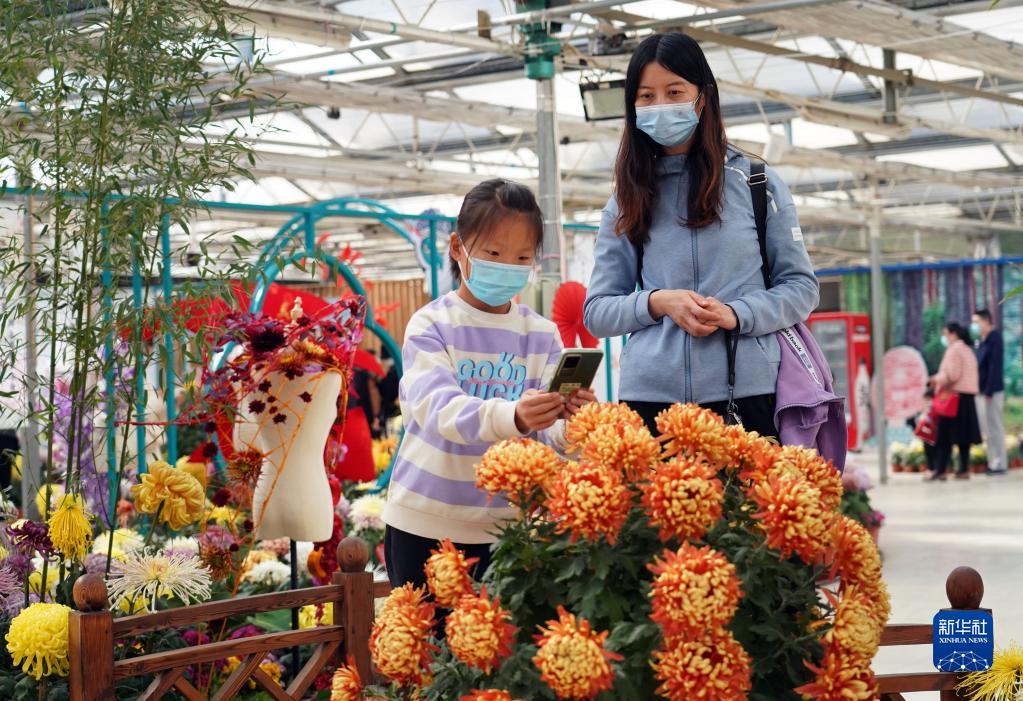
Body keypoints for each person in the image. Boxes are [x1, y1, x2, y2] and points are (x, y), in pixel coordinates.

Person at [583, 32, 819, 437]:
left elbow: (801, 288)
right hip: (649, 401)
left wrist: (737, 314)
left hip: (746, 395)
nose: (660, 105)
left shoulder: (756, 183)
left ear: (703, 97)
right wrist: (657, 302)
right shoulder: (627, 198)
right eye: (646, 96)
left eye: (674, 92)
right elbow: (597, 312)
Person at [382, 179, 597, 590]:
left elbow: (550, 436)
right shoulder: (431, 324)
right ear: (457, 247)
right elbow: (436, 409)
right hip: (427, 522)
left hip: (510, 528)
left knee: (500, 632)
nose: (508, 266)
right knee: (424, 630)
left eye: (522, 257)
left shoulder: (541, 334)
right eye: (494, 253)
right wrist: (514, 415)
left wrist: (572, 421)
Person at [927, 322, 982, 481]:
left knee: (944, 437)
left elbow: (952, 375)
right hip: (967, 398)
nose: (944, 337)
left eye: (945, 334)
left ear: (953, 334)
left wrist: (935, 380)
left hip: (953, 399)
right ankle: (963, 469)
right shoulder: (967, 350)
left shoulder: (955, 350)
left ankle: (940, 470)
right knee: (964, 438)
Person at [972, 309, 1007, 475]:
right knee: (987, 430)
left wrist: (989, 391)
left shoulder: (995, 339)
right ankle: (993, 462)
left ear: (986, 321)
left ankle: (999, 464)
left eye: (976, 322)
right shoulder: (982, 340)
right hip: (982, 391)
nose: (974, 326)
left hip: (991, 392)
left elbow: (994, 367)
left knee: (995, 428)